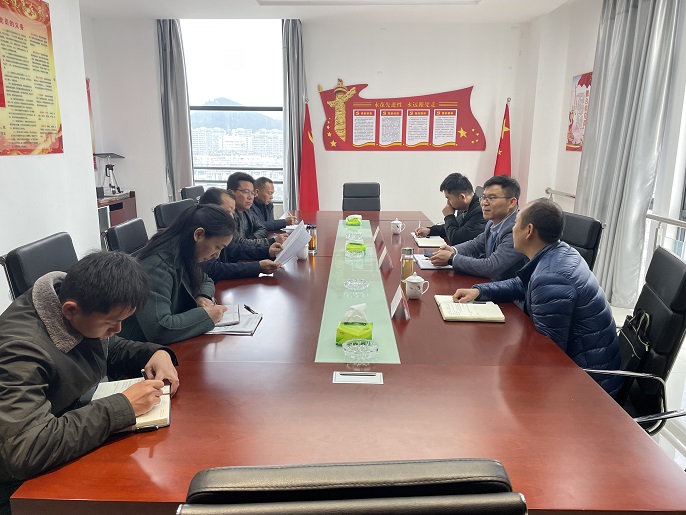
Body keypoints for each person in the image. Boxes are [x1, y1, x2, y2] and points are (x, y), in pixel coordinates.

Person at [0, 252, 180, 512]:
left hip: (62, 431)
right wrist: (122, 407)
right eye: (112, 322)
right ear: (70, 310)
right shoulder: (20, 352)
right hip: (18, 488)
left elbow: (108, 346)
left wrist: (155, 353)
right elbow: (25, 450)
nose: (117, 329)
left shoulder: (78, 305)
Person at [453, 198, 622, 397]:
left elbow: (547, 355)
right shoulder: (559, 252)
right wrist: (481, 291)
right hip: (586, 368)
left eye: (516, 223)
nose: (512, 228)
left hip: (590, 387)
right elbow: (521, 283)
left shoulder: (551, 278)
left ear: (529, 230)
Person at [119, 204, 234, 344]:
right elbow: (160, 328)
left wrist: (202, 295)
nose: (217, 255)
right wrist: (206, 315)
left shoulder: (184, 253)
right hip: (140, 349)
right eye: (217, 247)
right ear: (198, 234)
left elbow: (205, 280)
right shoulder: (157, 267)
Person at [429, 175, 527, 281]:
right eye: (483, 197)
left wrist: (452, 259)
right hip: (491, 283)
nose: (484, 203)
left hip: (509, 289)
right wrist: (453, 250)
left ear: (511, 202)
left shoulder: (517, 230)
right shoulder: (492, 222)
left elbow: (492, 266)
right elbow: (476, 244)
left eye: (492, 198)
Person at [199, 187, 283, 280]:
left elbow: (234, 249)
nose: (232, 217)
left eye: (233, 212)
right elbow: (213, 270)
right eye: (228, 211)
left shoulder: (222, 228)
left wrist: (267, 251)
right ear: (211, 209)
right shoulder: (202, 235)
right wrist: (257, 267)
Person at [414, 172, 486, 245]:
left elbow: (456, 239)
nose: (448, 203)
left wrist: (449, 216)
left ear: (462, 197)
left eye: (449, 198)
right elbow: (455, 227)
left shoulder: (480, 213)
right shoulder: (464, 206)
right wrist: (430, 230)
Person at [227, 172, 287, 247]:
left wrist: (250, 240)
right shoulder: (227, 215)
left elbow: (262, 228)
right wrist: (271, 241)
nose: (250, 197)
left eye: (252, 193)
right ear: (231, 193)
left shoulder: (246, 211)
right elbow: (237, 245)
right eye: (246, 192)